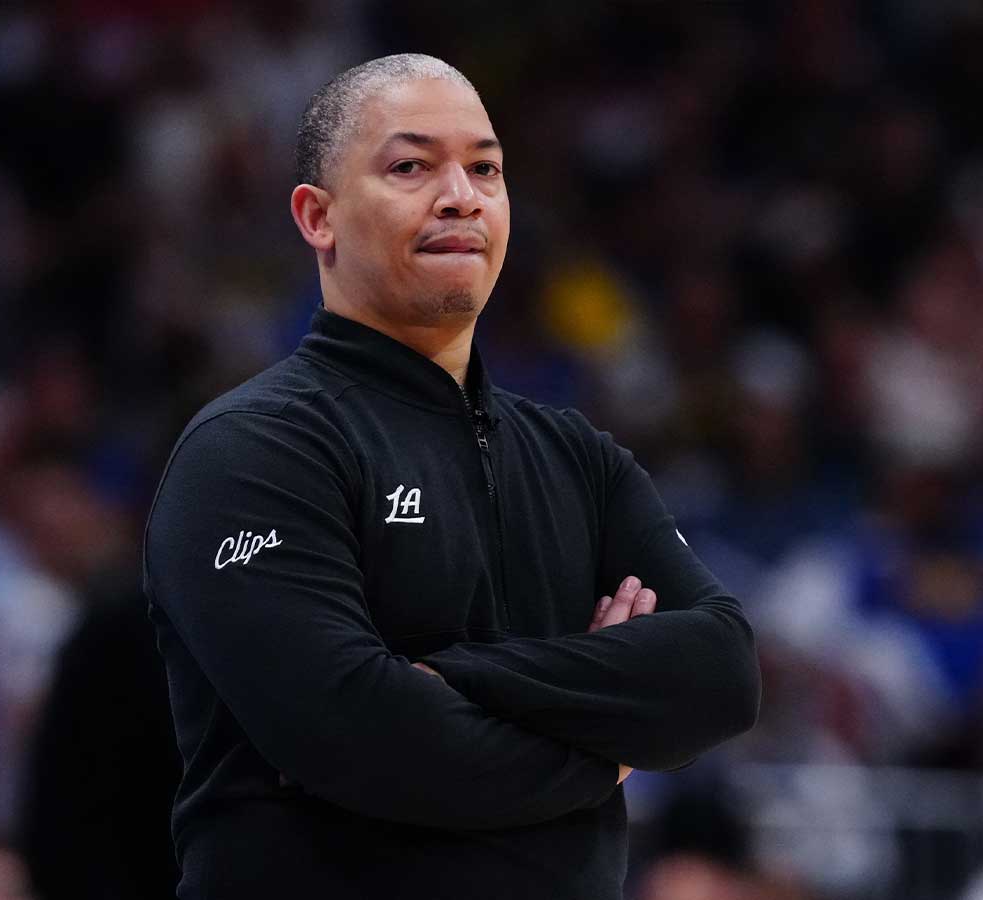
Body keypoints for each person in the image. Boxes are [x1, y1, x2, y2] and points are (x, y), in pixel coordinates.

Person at [143, 53, 762, 899]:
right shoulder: (254, 450)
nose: (461, 196)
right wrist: (611, 745)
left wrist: (455, 678)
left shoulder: (578, 455)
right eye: (410, 166)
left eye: (485, 168)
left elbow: (722, 672)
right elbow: (362, 736)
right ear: (317, 216)